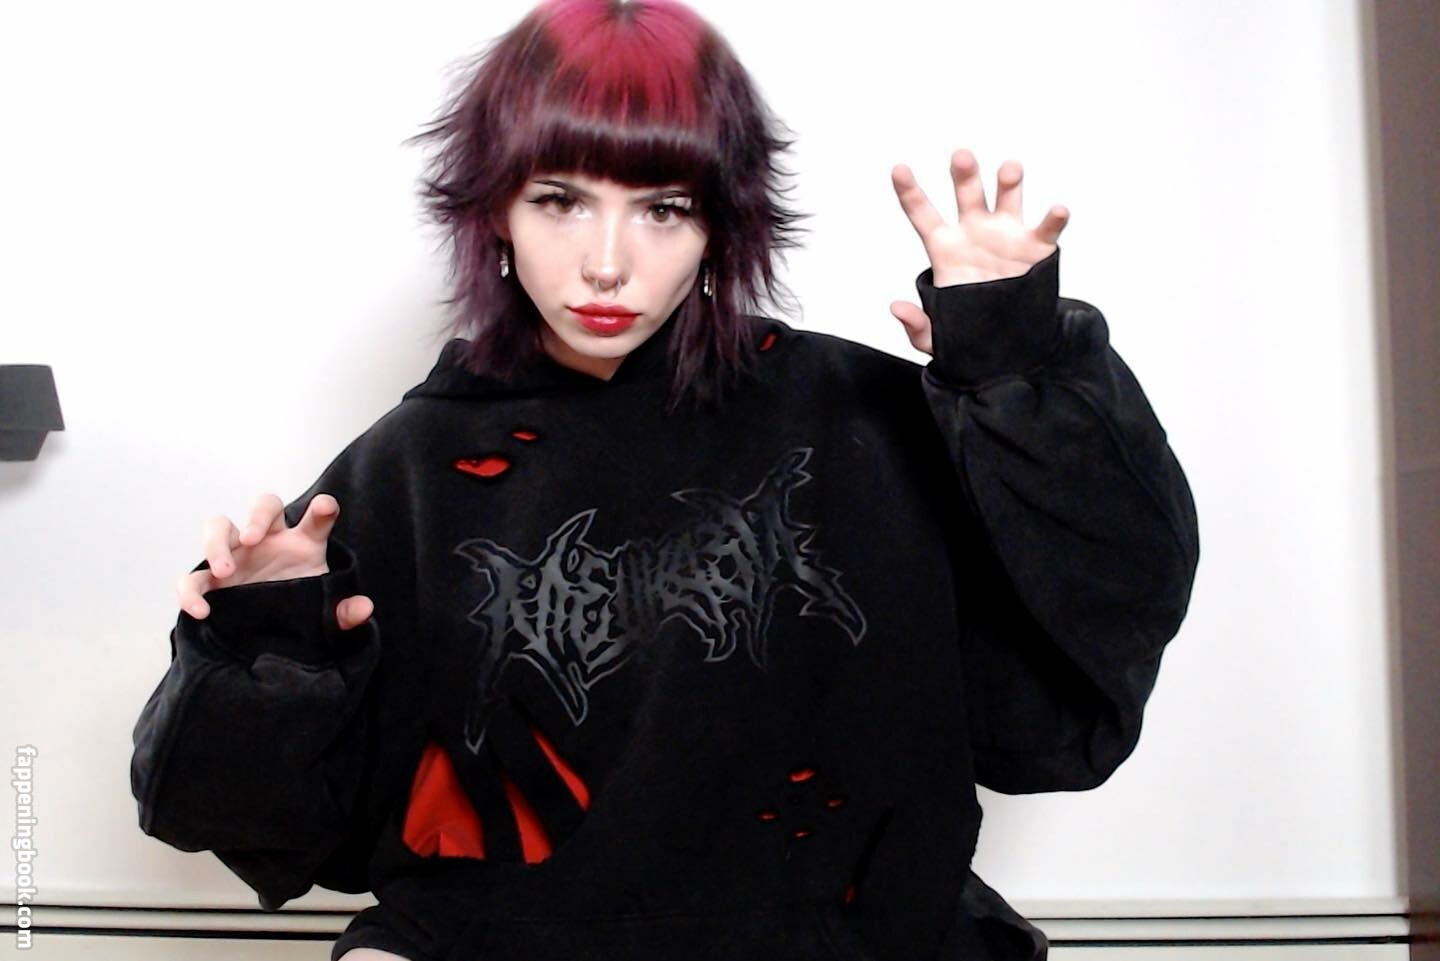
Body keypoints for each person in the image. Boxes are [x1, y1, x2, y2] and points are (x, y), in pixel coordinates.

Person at [129, 1, 1200, 959]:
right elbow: (265, 830)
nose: (606, 261)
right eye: (560, 200)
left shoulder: (852, 413)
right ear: (494, 210)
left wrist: (1018, 374)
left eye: (663, 207)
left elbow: (1082, 655)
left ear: (720, 223)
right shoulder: (407, 465)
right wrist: (270, 636)